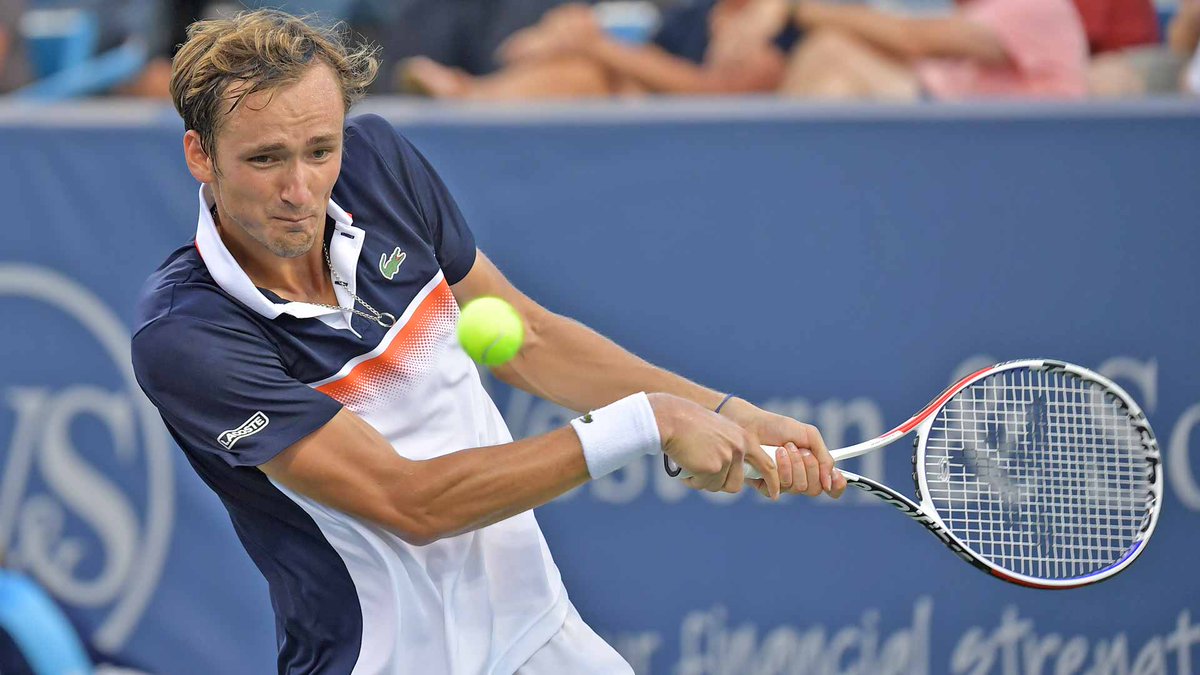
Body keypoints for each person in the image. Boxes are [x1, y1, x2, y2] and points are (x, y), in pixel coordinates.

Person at [130, 9, 846, 673]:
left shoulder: (376, 166)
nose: (301, 190)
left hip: (537, 633)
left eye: (321, 149)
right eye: (265, 160)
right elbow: (411, 502)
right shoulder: (187, 335)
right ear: (201, 155)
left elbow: (529, 338)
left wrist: (724, 411)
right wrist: (647, 421)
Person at [401, 0, 799, 99]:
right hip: (644, 115)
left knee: (589, 73)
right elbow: (654, 57)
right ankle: (476, 93)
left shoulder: (773, 24)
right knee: (585, 68)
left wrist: (596, 45)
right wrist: (558, 39)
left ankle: (472, 96)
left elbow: (727, 93)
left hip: (704, 154)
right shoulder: (694, 15)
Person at [743, 0, 1088, 100]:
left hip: (1013, 151)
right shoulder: (978, 10)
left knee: (834, 52)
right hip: (955, 137)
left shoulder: (1037, 6)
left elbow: (913, 39)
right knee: (832, 64)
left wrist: (801, 11)